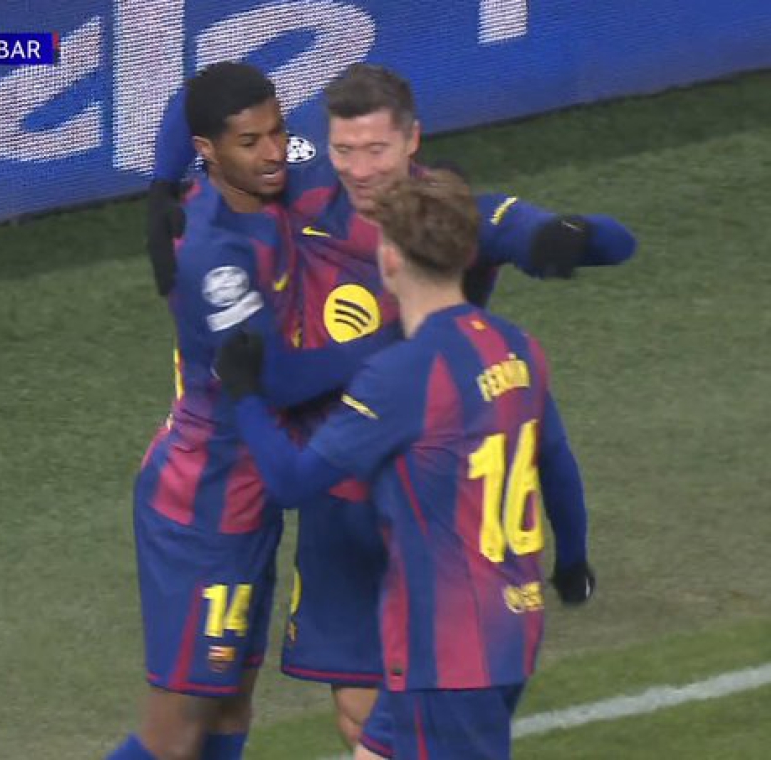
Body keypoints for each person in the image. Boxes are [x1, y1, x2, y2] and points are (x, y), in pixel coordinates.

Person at [145, 62, 634, 748]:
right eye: (345, 149)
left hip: (426, 495)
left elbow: (552, 232)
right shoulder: (302, 174)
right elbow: (201, 97)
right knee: (356, 714)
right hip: (338, 489)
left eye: (376, 149)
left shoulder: (444, 217)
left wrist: (567, 234)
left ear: (411, 140)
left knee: (401, 722)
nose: (359, 168)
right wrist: (160, 186)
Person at [215, 170, 596, 759]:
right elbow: (557, 462)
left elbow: (292, 481)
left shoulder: (404, 374)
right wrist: (572, 560)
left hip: (449, 653)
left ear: (389, 258)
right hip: (503, 627)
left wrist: (244, 395)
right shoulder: (516, 346)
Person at [106, 62, 392, 760]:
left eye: (278, 132)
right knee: (177, 731)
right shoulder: (217, 258)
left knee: (230, 704)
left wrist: (156, 186)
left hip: (251, 495)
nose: (273, 153)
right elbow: (278, 384)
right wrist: (389, 343)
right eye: (250, 141)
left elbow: (191, 95)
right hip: (205, 505)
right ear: (208, 150)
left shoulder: (265, 171)